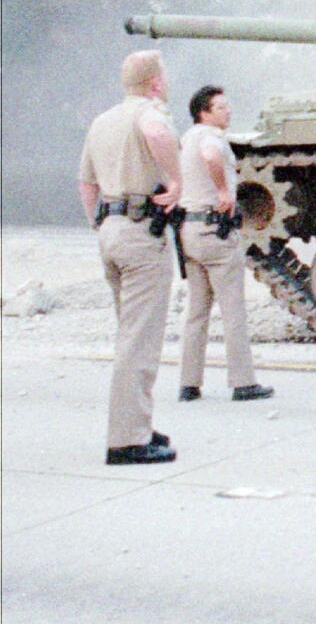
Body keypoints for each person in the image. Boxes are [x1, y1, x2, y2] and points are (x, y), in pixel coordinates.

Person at [78, 50, 181, 465]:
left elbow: (86, 184)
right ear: (155, 82)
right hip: (142, 235)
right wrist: (176, 178)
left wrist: (100, 225)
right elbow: (157, 133)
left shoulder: (102, 121)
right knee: (139, 342)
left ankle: (137, 423)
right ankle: (127, 441)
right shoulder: (151, 112)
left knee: (130, 335)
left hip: (112, 230)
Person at [177, 85, 274, 403]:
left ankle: (189, 384)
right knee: (233, 310)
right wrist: (222, 191)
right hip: (216, 232)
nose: (228, 111)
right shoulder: (211, 137)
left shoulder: (186, 137)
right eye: (221, 107)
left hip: (190, 230)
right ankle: (243, 382)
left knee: (196, 312)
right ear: (204, 113)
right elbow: (211, 155)